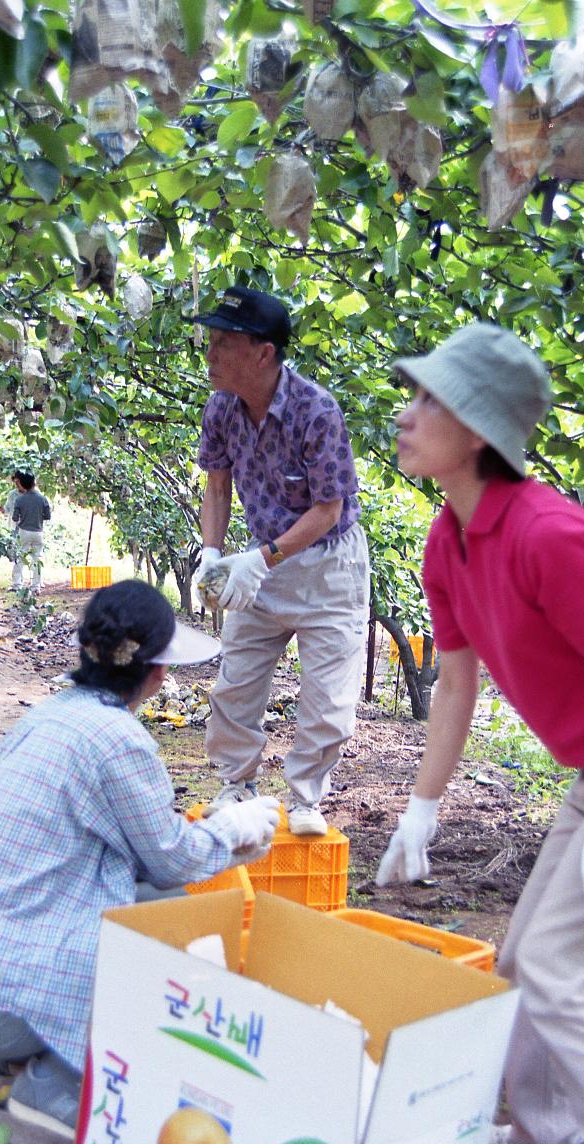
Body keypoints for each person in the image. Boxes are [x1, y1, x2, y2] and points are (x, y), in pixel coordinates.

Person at [376, 322, 584, 1144]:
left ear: (478, 430)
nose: (405, 413)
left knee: (564, 968)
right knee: (519, 963)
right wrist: (420, 809)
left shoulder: (549, 535)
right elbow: (453, 685)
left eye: (428, 402)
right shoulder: (448, 536)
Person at [0, 580, 280, 1139]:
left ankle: (30, 1047)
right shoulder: (118, 740)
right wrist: (229, 828)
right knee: (165, 922)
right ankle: (57, 1082)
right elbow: (171, 861)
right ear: (157, 672)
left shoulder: (51, 715)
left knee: (155, 902)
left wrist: (218, 834)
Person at [191, 285, 370, 837]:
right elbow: (217, 486)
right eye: (211, 339)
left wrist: (260, 560)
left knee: (328, 697)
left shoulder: (316, 411)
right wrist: (214, 553)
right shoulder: (222, 408)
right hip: (260, 564)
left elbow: (328, 507)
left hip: (326, 565)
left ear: (263, 353)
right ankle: (235, 783)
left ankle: (306, 797)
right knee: (236, 682)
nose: (210, 352)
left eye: (224, 341)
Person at [10, 470, 51, 591]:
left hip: (23, 532)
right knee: (37, 560)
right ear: (34, 482)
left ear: (22, 484)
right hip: (38, 532)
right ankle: (35, 586)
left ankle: (17, 584)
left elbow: (15, 517)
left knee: (20, 558)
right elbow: (47, 516)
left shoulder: (20, 500)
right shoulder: (43, 499)